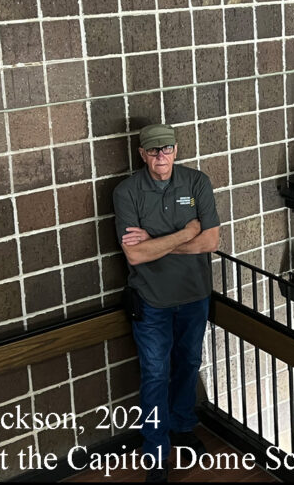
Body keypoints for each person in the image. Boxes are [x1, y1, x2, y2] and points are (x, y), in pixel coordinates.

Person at [113, 123, 220, 482]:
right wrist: (187, 231)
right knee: (155, 374)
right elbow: (136, 256)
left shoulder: (196, 182)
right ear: (142, 154)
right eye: (154, 150)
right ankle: (156, 454)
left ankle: (182, 425)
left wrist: (157, 241)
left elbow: (210, 242)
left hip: (195, 296)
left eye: (167, 148)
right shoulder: (127, 192)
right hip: (151, 301)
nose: (162, 156)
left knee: (189, 362)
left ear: (177, 149)